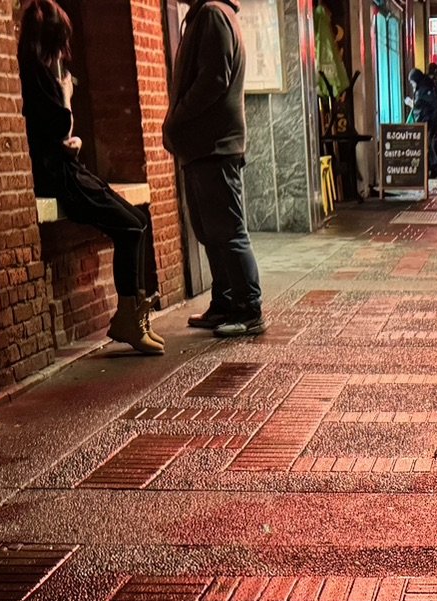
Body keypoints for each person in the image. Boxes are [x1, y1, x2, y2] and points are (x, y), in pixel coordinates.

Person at [16, 0, 161, 354]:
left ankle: (135, 313)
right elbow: (56, 126)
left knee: (138, 219)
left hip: (68, 167)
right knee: (129, 227)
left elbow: (60, 136)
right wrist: (65, 96)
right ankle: (129, 318)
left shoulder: (44, 72)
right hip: (59, 178)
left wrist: (72, 141)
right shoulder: (38, 76)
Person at [163, 0, 264, 337]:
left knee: (229, 231)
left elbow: (213, 80)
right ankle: (224, 303)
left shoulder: (212, 15)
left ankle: (249, 309)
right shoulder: (208, 16)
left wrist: (176, 120)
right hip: (203, 147)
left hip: (215, 146)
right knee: (210, 232)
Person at [410, 67, 437, 178]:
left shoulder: (425, 88)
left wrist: (414, 104)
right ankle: (433, 166)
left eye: (412, 81)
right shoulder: (426, 86)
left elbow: (430, 104)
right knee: (428, 144)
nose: (412, 84)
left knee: (428, 143)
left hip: (428, 120)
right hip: (429, 119)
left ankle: (434, 166)